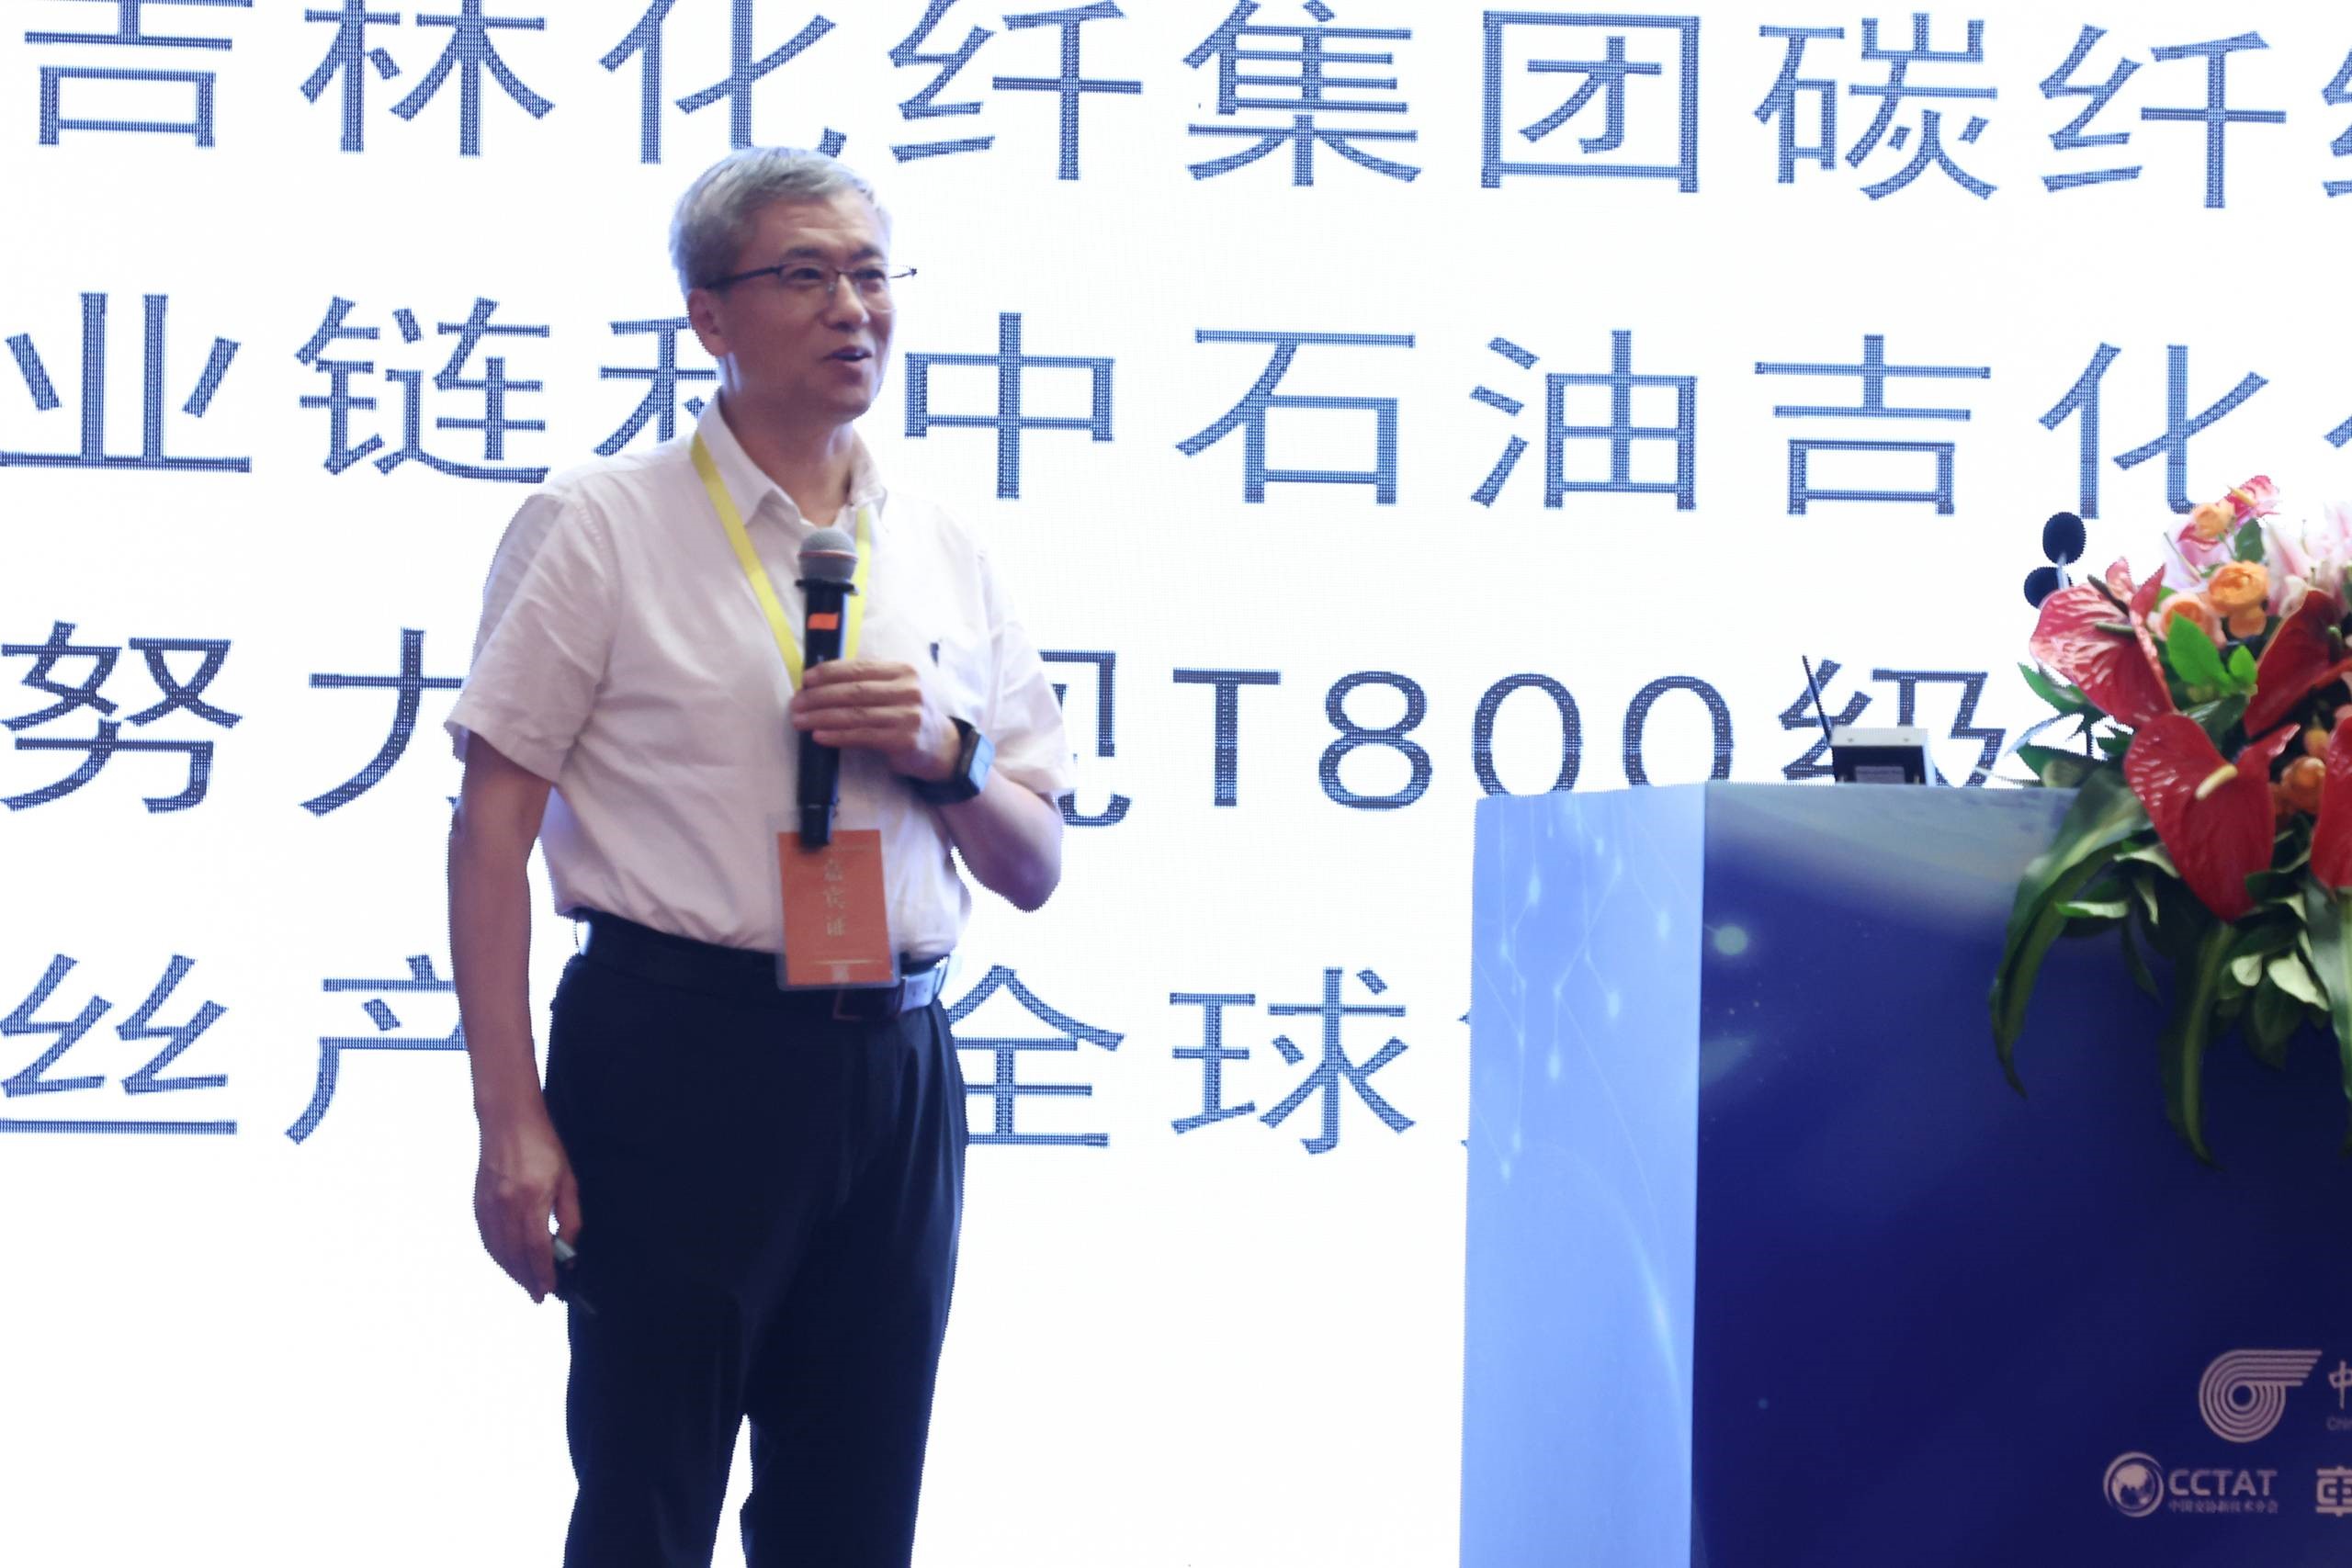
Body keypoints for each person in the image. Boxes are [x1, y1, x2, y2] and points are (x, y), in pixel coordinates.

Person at [443, 146, 1073, 1568]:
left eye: (872, 275)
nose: (853, 307)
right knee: (647, 1506)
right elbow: (489, 832)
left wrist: (949, 752)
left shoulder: (941, 544)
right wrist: (508, 1117)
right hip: (676, 1052)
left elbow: (1036, 864)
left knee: (853, 1517)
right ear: (708, 315)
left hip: (897, 1064)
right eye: (806, 275)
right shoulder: (598, 524)